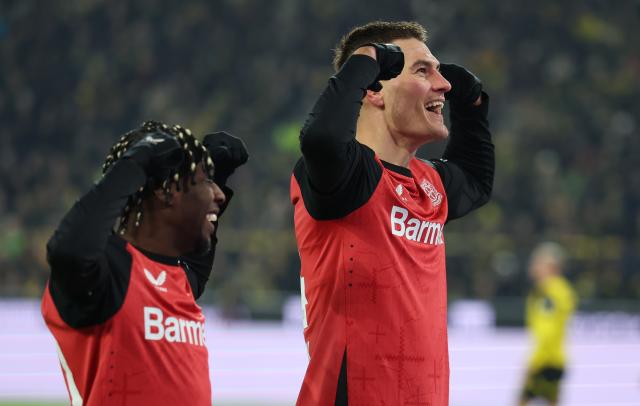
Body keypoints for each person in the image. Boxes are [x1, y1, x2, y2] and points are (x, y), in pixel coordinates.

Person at [290, 21, 494, 405]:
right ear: (373, 90)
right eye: (422, 70)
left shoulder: (428, 182)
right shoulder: (348, 177)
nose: (444, 84)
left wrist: (473, 108)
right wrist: (366, 57)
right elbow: (322, 138)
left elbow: (477, 180)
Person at [41, 120, 248, 405]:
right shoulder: (107, 271)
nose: (220, 195)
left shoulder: (175, 279)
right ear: (165, 191)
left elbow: (195, 262)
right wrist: (136, 164)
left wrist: (217, 175)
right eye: (204, 182)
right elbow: (68, 252)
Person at [519, 242, 577, 406]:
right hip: (557, 360)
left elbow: (547, 331)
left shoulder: (548, 292)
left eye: (538, 263)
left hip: (545, 361)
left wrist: (535, 363)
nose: (533, 267)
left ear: (551, 267)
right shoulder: (560, 290)